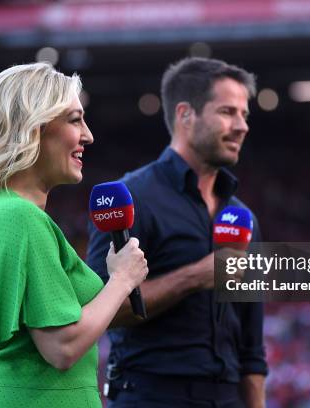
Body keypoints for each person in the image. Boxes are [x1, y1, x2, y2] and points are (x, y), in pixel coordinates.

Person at [0, 62, 148, 407]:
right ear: (33, 129)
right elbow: (62, 348)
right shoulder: (17, 216)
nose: (88, 135)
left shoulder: (1, 214)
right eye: (74, 120)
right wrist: (122, 279)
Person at [87, 57, 268, 408]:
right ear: (186, 114)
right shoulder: (129, 199)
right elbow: (99, 310)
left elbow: (251, 348)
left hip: (228, 397)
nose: (242, 125)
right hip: (151, 396)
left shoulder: (243, 217)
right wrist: (197, 276)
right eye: (228, 112)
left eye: (244, 114)